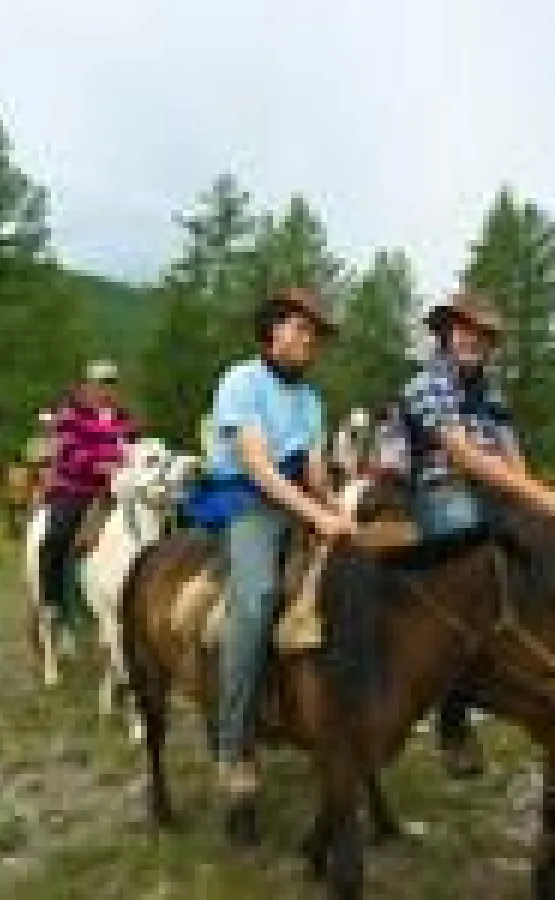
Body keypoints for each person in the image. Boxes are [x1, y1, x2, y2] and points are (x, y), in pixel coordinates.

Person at [200, 286, 355, 839]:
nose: (310, 340)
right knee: (259, 595)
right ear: (272, 331)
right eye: (301, 328)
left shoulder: (311, 400)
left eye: (316, 334)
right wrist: (316, 515)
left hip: (296, 501)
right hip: (247, 502)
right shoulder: (240, 381)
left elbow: (312, 469)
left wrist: (339, 510)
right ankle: (234, 746)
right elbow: (259, 468)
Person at [402, 290, 555, 777]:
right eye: (464, 329)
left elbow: (511, 454)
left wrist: (537, 502)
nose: (472, 339)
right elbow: (461, 455)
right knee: (471, 551)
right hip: (441, 487)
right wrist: (538, 495)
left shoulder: (489, 391)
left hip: (491, 489)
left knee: (550, 543)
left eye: (482, 334)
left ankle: (547, 661)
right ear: (446, 333)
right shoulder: (428, 383)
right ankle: (453, 717)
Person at [38, 360, 137, 654]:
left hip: (118, 490)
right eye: (100, 383)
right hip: (77, 489)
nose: (106, 389)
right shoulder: (70, 416)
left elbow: (136, 448)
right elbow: (69, 452)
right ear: (86, 386)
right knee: (57, 535)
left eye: (111, 383)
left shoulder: (125, 418)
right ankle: (52, 601)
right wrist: (98, 465)